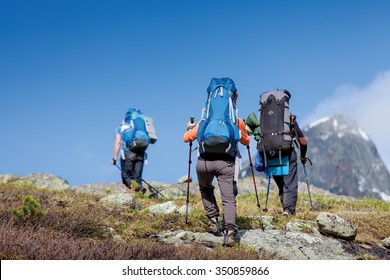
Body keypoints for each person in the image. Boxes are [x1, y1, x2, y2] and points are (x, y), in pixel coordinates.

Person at [183, 94, 250, 246]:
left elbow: (186, 138)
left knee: (205, 188)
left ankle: (214, 221)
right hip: (225, 163)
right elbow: (246, 141)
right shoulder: (236, 120)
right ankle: (231, 232)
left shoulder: (204, 121)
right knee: (228, 197)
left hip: (204, 163)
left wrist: (190, 128)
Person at [273, 120, 307, 216]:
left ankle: (286, 208)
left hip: (270, 154)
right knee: (290, 183)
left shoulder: (265, 116)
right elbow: (303, 143)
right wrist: (303, 156)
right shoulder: (288, 118)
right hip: (287, 153)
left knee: (281, 184)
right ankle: (289, 211)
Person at [111, 112, 147, 193]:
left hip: (128, 153)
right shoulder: (141, 128)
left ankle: (137, 190)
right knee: (137, 178)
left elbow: (118, 142)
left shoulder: (120, 128)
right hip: (141, 153)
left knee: (126, 177)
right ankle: (140, 190)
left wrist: (114, 158)